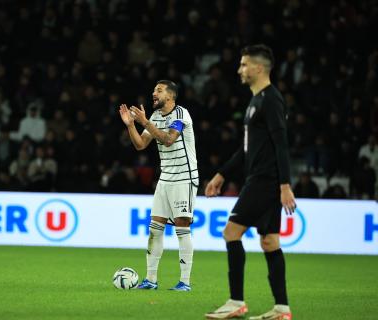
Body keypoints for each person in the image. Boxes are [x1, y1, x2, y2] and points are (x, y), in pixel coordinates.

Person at [204, 45, 296, 320]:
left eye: (244, 65)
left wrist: (284, 185)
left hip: (264, 182)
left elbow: (281, 144)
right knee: (269, 241)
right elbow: (247, 150)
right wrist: (222, 174)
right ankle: (282, 309)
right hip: (262, 180)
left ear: (258, 68)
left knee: (231, 233)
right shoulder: (256, 101)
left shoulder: (270, 100)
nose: (239, 69)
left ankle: (236, 302)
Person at [118, 80, 199, 291]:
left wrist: (145, 122)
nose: (154, 93)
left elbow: (169, 139)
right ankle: (151, 280)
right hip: (165, 178)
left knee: (182, 226)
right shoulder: (154, 117)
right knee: (155, 228)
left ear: (170, 96)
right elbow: (140, 145)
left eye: (159, 90)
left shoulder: (181, 114)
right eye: (154, 89)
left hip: (184, 177)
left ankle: (185, 282)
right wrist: (130, 125)